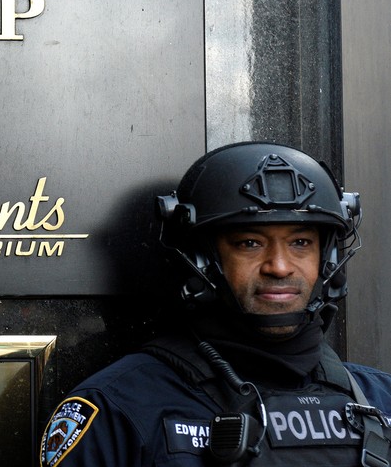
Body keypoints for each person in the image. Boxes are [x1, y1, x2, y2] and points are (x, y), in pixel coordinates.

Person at [40, 142, 391, 466]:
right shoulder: (120, 408)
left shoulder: (381, 400)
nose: (280, 266)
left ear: (327, 259)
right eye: (250, 243)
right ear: (202, 259)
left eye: (300, 242)